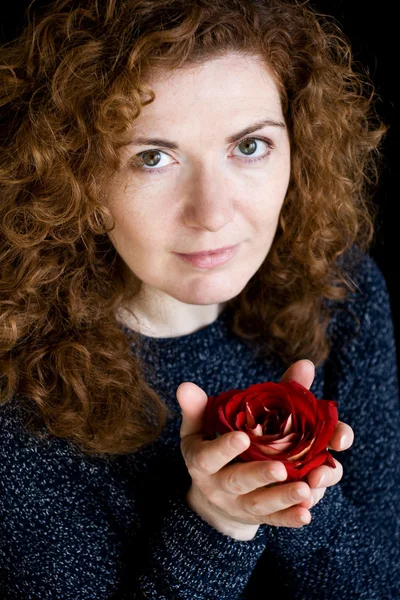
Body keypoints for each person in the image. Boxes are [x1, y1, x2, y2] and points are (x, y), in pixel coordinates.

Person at [0, 0, 399, 598]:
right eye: (152, 158)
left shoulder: (342, 293)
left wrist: (295, 495)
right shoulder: (16, 386)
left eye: (250, 147)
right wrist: (217, 524)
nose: (211, 214)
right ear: (74, 174)